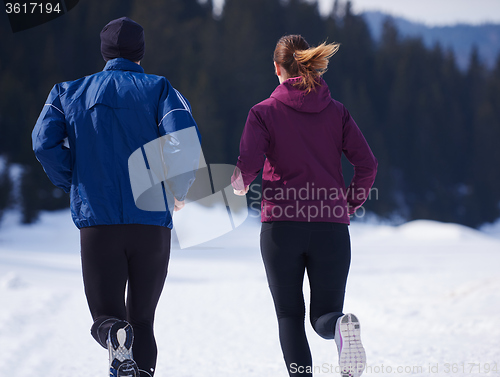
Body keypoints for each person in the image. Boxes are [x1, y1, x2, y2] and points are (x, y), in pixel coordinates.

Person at [32, 17, 200, 377]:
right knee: (142, 320)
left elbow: (42, 143)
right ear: (141, 51)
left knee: (107, 320)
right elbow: (184, 141)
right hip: (151, 222)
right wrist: (178, 189)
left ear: (104, 51)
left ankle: (113, 334)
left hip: (99, 220)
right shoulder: (160, 89)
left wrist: (73, 179)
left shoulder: (67, 92)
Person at [232, 35, 377, 377]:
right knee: (324, 316)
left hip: (282, 227)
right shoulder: (337, 111)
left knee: (289, 316)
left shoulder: (263, 112)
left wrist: (239, 185)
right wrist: (347, 205)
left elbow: (247, 167)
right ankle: (341, 327)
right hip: (331, 227)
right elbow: (367, 165)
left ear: (277, 68)